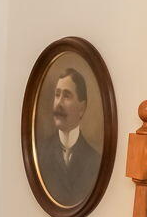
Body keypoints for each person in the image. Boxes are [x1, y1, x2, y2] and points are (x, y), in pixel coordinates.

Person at [37, 65, 102, 207]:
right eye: (57, 95)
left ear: (82, 108)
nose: (58, 103)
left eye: (66, 96)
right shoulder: (39, 153)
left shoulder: (95, 161)